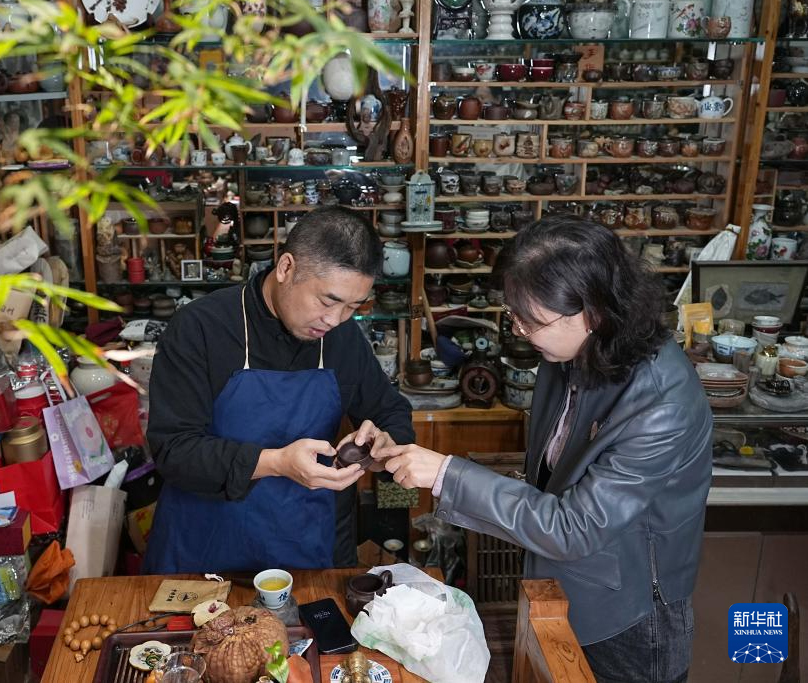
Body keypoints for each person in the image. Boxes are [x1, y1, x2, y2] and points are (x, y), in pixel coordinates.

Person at [375, 214, 712, 683]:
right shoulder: (570, 353)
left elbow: (575, 526)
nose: (518, 330)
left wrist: (446, 474)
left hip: (629, 615)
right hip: (561, 582)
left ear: (590, 312)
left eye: (529, 320)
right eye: (513, 314)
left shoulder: (661, 404)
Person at [144, 206, 415, 573]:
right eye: (328, 301)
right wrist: (276, 463)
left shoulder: (343, 339)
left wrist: (382, 443)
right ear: (286, 267)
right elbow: (174, 450)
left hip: (307, 550)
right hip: (204, 551)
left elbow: (392, 412)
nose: (335, 320)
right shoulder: (201, 328)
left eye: (353, 307)